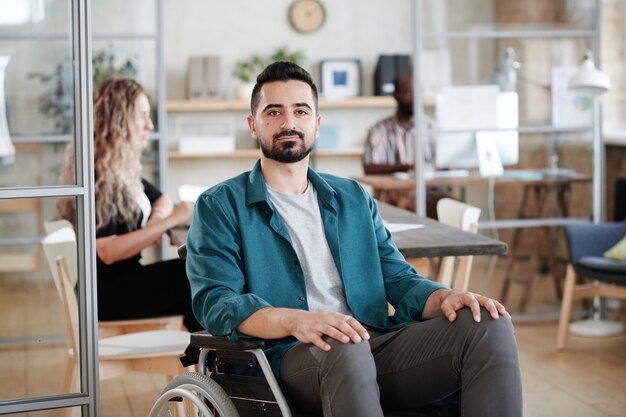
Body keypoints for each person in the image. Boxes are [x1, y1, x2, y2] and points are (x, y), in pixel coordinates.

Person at [186, 62, 522, 417]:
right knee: (343, 342)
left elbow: (398, 278)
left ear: (316, 123)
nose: (289, 123)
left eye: (301, 111)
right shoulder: (220, 205)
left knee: (488, 323)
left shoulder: (352, 198)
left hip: (373, 346)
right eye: (274, 112)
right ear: (254, 124)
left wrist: (446, 297)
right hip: (287, 360)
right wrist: (295, 320)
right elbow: (216, 301)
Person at [57, 77, 202, 332]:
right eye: (142, 116)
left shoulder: (116, 168)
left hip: (116, 284)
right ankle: (210, 363)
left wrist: (156, 221)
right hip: (104, 295)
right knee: (196, 277)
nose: (150, 124)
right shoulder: (98, 178)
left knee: (195, 273)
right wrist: (168, 222)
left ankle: (206, 362)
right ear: (119, 123)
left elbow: (162, 198)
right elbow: (107, 252)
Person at [363, 73, 449, 219]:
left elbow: (444, 161)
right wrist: (405, 167)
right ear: (395, 95)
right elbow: (369, 167)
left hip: (429, 192)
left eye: (418, 92)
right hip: (392, 195)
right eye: (408, 92)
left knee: (453, 208)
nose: (415, 97)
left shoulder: (432, 127)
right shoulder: (379, 130)